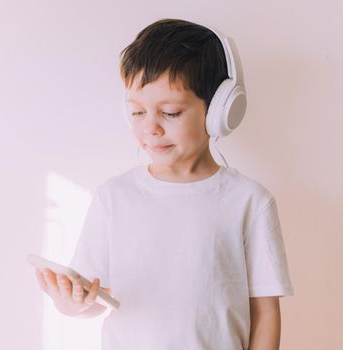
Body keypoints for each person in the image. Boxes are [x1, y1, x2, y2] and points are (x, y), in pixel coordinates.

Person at [34, 18, 294, 350]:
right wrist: (72, 302)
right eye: (138, 112)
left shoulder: (249, 202)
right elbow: (98, 296)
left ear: (218, 110)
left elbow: (266, 312)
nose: (151, 128)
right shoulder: (113, 198)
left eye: (170, 113)